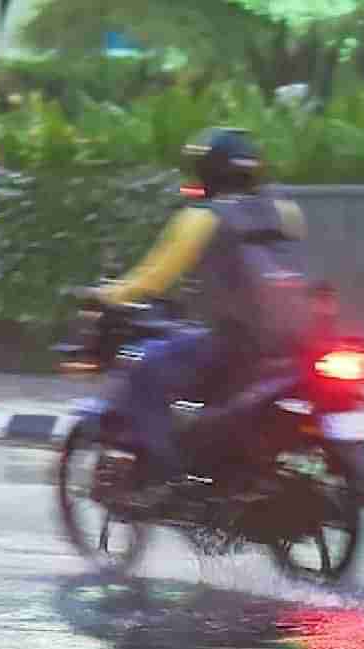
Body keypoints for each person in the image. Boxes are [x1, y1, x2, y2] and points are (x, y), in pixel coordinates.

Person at [89, 127, 313, 506]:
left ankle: (166, 477)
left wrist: (106, 295)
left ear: (206, 170)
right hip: (298, 343)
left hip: (237, 343)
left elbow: (154, 278)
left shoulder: (203, 218)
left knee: (146, 369)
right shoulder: (284, 211)